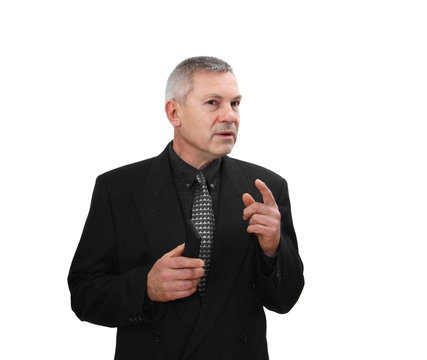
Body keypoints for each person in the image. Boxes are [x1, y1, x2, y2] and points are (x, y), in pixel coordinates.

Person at [67, 56, 304, 360]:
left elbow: (286, 300)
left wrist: (273, 250)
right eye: (213, 103)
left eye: (235, 103)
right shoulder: (118, 189)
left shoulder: (267, 188)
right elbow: (84, 296)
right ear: (174, 112)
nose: (229, 116)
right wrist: (146, 287)